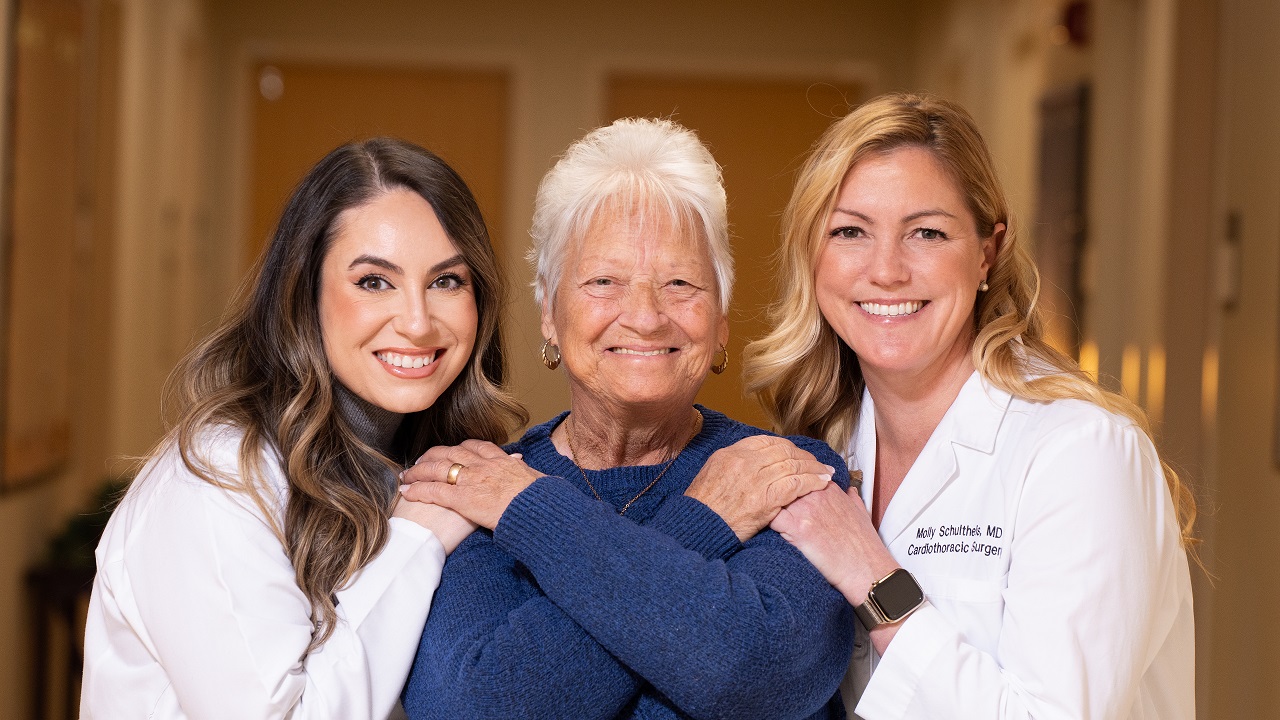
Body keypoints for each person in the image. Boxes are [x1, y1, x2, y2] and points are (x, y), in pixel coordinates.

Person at [744, 92, 1197, 719]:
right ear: (812, 255)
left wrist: (873, 578)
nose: (886, 270)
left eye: (926, 233)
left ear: (987, 252)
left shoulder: (1079, 450)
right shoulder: (824, 442)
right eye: (850, 231)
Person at [397, 117, 854, 719]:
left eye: (681, 283)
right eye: (603, 281)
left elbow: (755, 678)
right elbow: (476, 708)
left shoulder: (787, 474)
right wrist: (705, 522)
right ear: (549, 313)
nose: (644, 315)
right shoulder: (479, 487)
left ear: (720, 321)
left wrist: (530, 516)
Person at [80, 137, 526, 718]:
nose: (418, 322)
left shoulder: (419, 462)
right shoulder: (218, 480)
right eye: (373, 281)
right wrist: (416, 541)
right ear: (304, 292)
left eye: (446, 281)